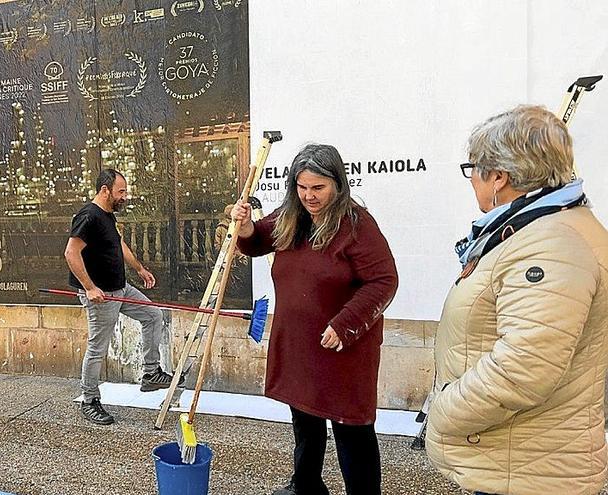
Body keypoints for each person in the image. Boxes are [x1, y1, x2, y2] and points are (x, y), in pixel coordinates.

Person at [426, 105, 608, 495]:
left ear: (498, 177)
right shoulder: (544, 228)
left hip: (529, 469)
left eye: (472, 168)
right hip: (522, 457)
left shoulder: (550, 243)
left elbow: (524, 367)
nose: (471, 179)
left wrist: (443, 412)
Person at [232, 144, 398, 495]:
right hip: (299, 343)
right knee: (305, 420)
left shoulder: (356, 224)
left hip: (342, 348)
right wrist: (246, 227)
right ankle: (306, 485)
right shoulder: (292, 216)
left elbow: (384, 281)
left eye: (318, 188)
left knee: (351, 430)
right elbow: (257, 240)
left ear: (338, 184)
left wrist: (345, 323)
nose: (309, 196)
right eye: (302, 187)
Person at [64, 169, 177, 425]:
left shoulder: (107, 215)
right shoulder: (89, 216)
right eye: (121, 192)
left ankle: (150, 373)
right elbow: (71, 253)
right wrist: (90, 288)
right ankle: (89, 399)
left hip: (121, 288)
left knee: (153, 315)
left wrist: (139, 269)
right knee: (97, 348)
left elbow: (119, 244)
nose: (124, 197)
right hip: (102, 295)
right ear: (105, 190)